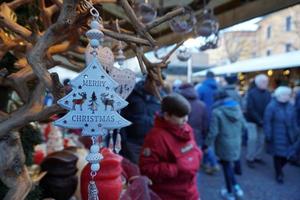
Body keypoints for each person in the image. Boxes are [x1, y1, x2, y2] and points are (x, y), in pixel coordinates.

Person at [139, 94, 202, 200]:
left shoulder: (186, 128)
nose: (185, 119)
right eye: (181, 116)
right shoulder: (156, 137)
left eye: (186, 115)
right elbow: (146, 168)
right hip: (169, 194)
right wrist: (176, 168)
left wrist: (197, 156)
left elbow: (193, 149)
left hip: (191, 192)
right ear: (167, 116)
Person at [204, 89, 246, 200]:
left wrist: (206, 145)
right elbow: (244, 127)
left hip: (224, 143)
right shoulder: (237, 108)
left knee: (227, 167)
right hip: (236, 141)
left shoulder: (217, 112)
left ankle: (229, 192)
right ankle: (237, 189)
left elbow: (213, 132)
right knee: (229, 166)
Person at [120, 76, 163, 164]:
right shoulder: (131, 94)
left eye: (160, 85)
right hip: (132, 143)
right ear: (147, 81)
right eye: (157, 84)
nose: (159, 88)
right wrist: (124, 140)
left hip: (151, 145)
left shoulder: (161, 98)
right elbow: (121, 116)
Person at [178, 83, 219, 174]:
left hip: (180, 137)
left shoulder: (179, 104)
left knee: (181, 162)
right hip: (197, 137)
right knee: (194, 161)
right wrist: (204, 137)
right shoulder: (201, 105)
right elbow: (206, 124)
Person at [264, 86, 298, 184]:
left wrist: (296, 131)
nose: (287, 96)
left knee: (287, 156)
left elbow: (294, 120)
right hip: (276, 135)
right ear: (279, 95)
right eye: (285, 94)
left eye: (288, 95)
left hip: (289, 135)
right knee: (278, 156)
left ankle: (279, 170)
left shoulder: (290, 106)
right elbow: (267, 121)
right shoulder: (271, 106)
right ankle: (279, 174)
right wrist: (268, 134)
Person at [245, 74, 271, 168]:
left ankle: (257, 156)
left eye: (266, 82)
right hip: (252, 120)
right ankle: (250, 158)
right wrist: (259, 120)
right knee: (252, 139)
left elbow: (270, 107)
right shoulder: (251, 93)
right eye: (264, 82)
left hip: (263, 121)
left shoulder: (268, 93)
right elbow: (250, 108)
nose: (266, 83)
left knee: (261, 140)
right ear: (258, 82)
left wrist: (265, 119)